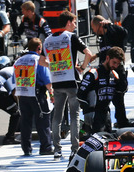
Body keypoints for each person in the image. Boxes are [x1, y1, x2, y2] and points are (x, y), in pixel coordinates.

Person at [43, 10, 93, 159]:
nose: (76, 25)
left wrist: (54, 66)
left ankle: (57, 149)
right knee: (74, 115)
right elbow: (88, 53)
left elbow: (41, 61)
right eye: (74, 22)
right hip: (72, 81)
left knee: (57, 117)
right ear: (69, 23)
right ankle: (74, 149)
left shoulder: (48, 40)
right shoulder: (71, 37)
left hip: (57, 81)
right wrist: (82, 68)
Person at [14, 37, 53, 156]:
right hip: (36, 94)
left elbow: (13, 79)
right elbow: (46, 79)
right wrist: (51, 93)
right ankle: (46, 147)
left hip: (22, 94)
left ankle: (26, 149)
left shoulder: (18, 61)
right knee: (43, 121)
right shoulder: (39, 60)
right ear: (39, 48)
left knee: (25, 122)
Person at [91, 15, 131, 128]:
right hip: (106, 72)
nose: (93, 31)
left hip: (117, 70)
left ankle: (122, 122)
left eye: (93, 27)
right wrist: (96, 55)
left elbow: (124, 32)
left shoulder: (113, 32)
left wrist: (110, 25)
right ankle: (106, 124)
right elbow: (106, 51)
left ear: (99, 25)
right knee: (104, 99)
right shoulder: (103, 38)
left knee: (118, 97)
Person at [78, 46, 126, 135]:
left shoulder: (115, 75)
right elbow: (80, 94)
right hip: (93, 113)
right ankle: (82, 129)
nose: (115, 66)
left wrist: (122, 74)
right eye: (114, 62)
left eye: (118, 64)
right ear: (107, 58)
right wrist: (87, 111)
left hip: (106, 114)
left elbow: (121, 91)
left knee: (109, 141)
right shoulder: (93, 74)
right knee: (97, 141)